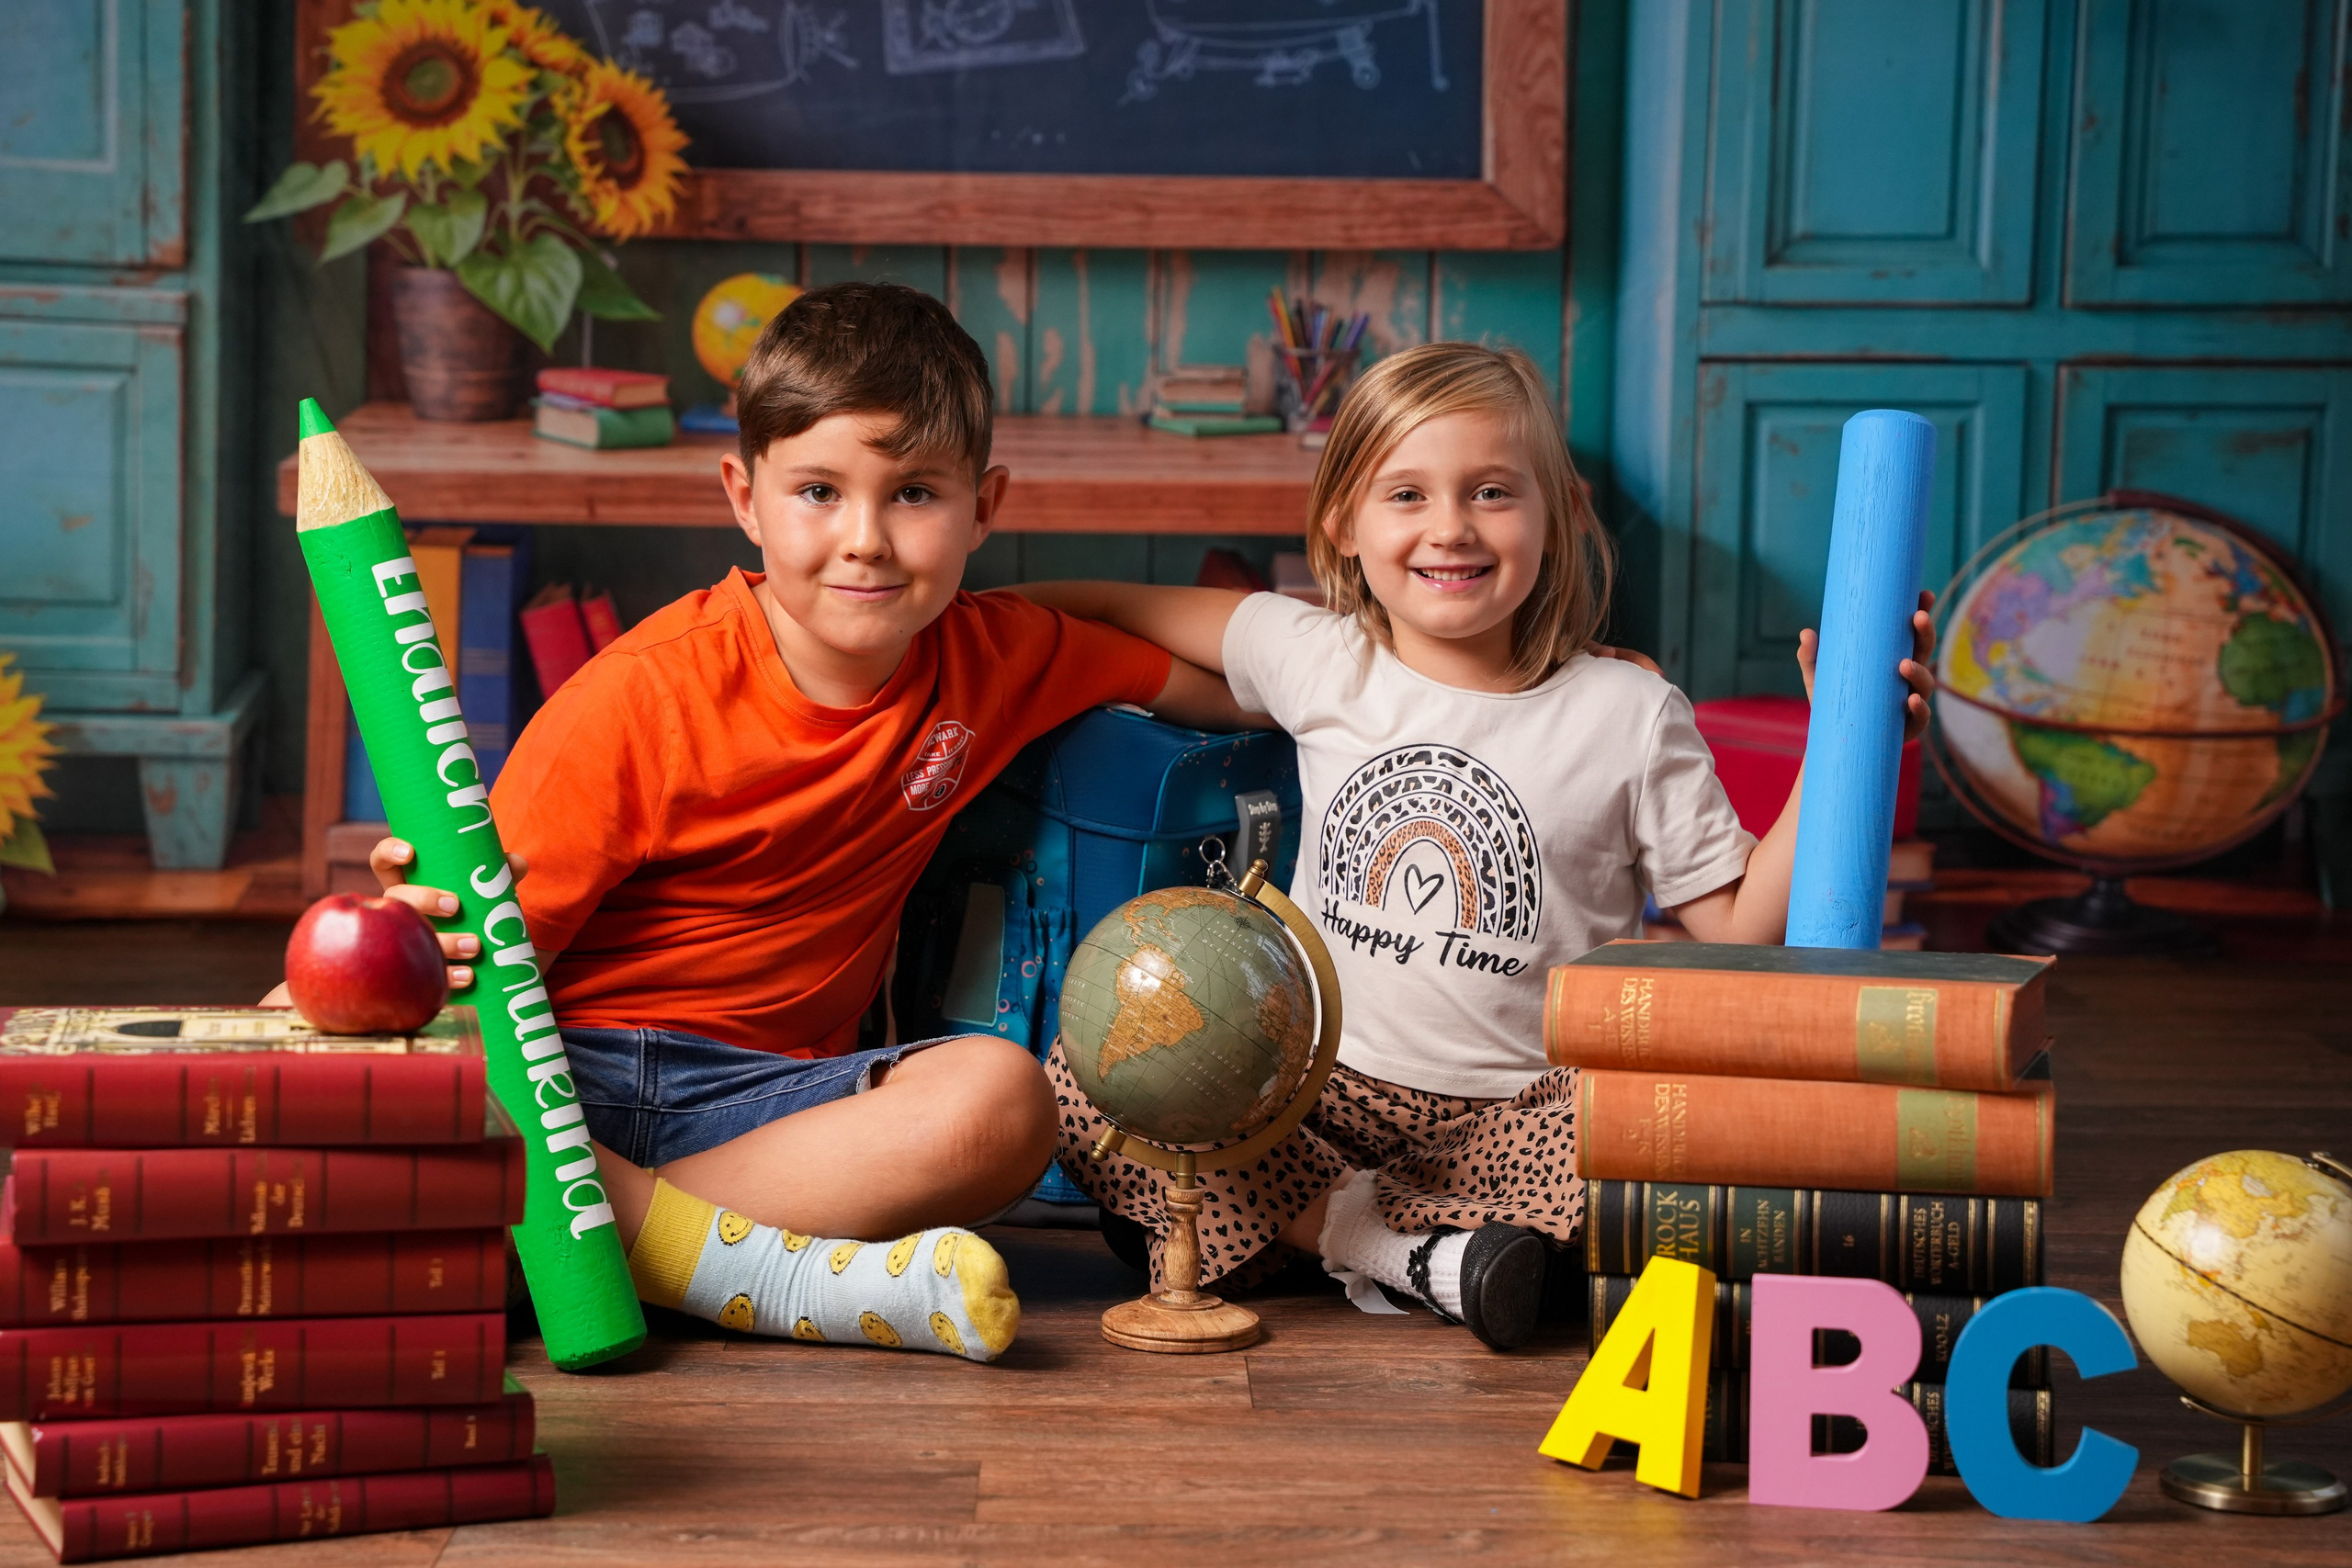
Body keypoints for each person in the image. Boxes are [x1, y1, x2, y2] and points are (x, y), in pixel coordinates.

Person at [266, 284, 1252, 1362]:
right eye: (819, 491)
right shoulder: (644, 696)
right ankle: (724, 1267)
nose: (866, 541)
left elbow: (1232, 682)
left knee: (1001, 1103)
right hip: (571, 1082)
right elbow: (492, 986)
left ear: (986, 506)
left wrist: (1380, 664)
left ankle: (579, 1254)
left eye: (915, 494)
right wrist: (399, 961)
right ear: (745, 495)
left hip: (776, 1110)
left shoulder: (997, 655)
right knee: (341, 1100)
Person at [1018, 341, 1936, 1350]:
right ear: (1342, 523)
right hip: (1316, 1101)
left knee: (1673, 1119)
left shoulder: (1628, 711)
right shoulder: (1315, 655)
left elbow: (1735, 924)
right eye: (1405, 495)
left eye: (1492, 492)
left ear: (1559, 513)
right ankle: (1408, 1254)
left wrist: (1842, 743)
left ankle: (1344, 1241)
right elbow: (1102, 604)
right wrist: (962, 624)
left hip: (1523, 1116)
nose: (1449, 528)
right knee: (1087, 1064)